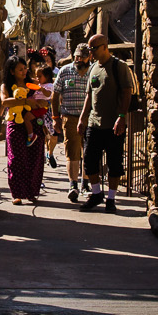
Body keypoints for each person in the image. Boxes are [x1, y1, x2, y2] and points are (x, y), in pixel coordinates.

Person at [75, 33, 135, 213]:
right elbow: (89, 95)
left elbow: (127, 92)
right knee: (90, 161)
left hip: (113, 124)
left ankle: (111, 198)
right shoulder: (93, 68)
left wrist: (121, 117)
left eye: (93, 48)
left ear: (104, 46)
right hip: (94, 123)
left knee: (114, 163)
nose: (91, 52)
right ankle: (96, 193)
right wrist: (83, 117)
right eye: (89, 49)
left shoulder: (119, 67)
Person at [0, 55, 47, 206]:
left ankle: (31, 192)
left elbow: (44, 98)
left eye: (25, 68)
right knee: (16, 158)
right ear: (12, 71)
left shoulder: (32, 83)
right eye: (20, 69)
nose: (24, 71)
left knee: (35, 158)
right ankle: (17, 193)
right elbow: (4, 101)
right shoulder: (6, 86)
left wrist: (40, 101)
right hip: (14, 123)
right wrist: (26, 101)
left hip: (34, 123)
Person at [53, 43, 94, 202]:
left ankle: (86, 183)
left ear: (88, 57)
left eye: (82, 57)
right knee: (72, 151)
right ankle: (73, 185)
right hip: (69, 117)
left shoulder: (93, 71)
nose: (78, 59)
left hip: (90, 118)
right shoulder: (65, 71)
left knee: (89, 151)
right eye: (76, 56)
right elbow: (55, 96)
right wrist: (55, 118)